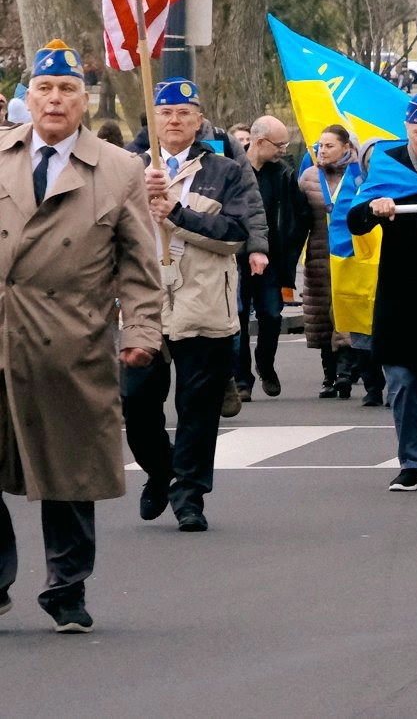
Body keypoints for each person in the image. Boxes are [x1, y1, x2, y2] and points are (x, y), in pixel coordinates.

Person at [0, 42, 163, 632]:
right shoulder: (0, 154)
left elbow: (140, 267)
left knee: (69, 474)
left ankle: (67, 588)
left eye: (67, 89)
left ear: (84, 101)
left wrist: (140, 330)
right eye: (44, 89)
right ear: (30, 97)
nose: (54, 100)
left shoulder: (119, 169)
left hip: (70, 340)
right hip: (1, 331)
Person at [126, 77, 261, 533]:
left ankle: (189, 493)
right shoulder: (130, 168)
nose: (175, 120)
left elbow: (237, 234)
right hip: (143, 303)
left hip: (204, 302)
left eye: (185, 112)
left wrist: (178, 217)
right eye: (165, 112)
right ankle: (160, 471)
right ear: (154, 119)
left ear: (200, 120)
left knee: (197, 406)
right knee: (136, 402)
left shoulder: (226, 170)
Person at [351, 94, 417, 491]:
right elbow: (356, 219)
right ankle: (412, 460)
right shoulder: (388, 162)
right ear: (407, 132)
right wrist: (375, 206)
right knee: (400, 379)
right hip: (401, 286)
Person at [237, 115, 308, 399]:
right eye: (279, 144)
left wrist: (289, 248)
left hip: (272, 260)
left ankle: (266, 364)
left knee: (270, 314)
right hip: (237, 258)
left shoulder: (283, 175)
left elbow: (299, 215)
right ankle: (242, 379)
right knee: (238, 318)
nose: (283, 150)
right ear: (260, 141)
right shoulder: (232, 170)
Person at [299, 125, 367, 400]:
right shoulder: (309, 177)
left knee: (346, 313)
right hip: (318, 256)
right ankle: (328, 374)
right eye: (320, 146)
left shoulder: (359, 175)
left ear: (346, 147)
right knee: (322, 318)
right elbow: (297, 219)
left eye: (329, 146)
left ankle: (345, 373)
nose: (322, 151)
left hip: (349, 254)